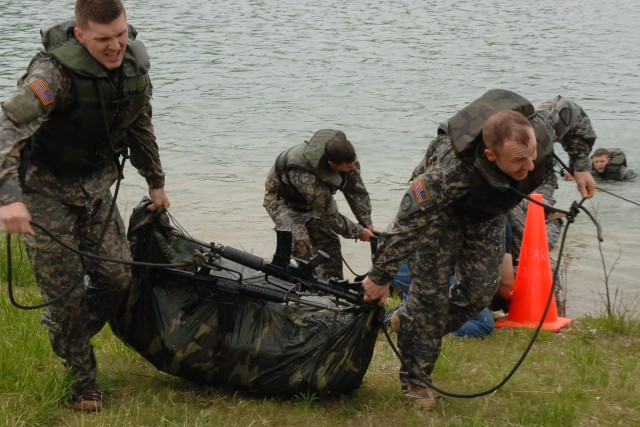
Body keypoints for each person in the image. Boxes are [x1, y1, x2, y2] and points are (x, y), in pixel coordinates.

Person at [361, 89, 597, 409]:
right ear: (490, 155)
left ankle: (410, 319)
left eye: (531, 156)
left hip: (487, 213)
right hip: (440, 216)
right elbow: (407, 222)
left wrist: (581, 164)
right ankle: (416, 381)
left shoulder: (539, 131)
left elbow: (572, 111)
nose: (529, 167)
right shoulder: (447, 173)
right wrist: (380, 275)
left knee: (479, 294)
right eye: (517, 161)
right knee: (430, 299)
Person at [0, 0, 170, 412]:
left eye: (121, 34)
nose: (115, 46)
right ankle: (82, 380)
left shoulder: (133, 66)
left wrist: (156, 182)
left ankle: (63, 329)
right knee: (66, 291)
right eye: (102, 39)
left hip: (95, 186)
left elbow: (140, 123)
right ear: (80, 35)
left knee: (117, 276)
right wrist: (10, 199)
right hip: (44, 190)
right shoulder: (52, 74)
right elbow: (8, 126)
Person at [263, 129, 374, 281]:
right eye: (347, 167)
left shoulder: (347, 158)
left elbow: (356, 191)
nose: (352, 168)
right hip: (282, 201)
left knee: (330, 241)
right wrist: (358, 232)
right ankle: (312, 289)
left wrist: (366, 222)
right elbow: (330, 216)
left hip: (309, 201)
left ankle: (335, 286)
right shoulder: (306, 175)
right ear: (331, 164)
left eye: (353, 164)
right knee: (301, 245)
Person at [564, 147, 637, 181]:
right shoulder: (587, 169)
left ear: (609, 160)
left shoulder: (622, 172)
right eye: (596, 162)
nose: (599, 165)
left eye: (602, 161)